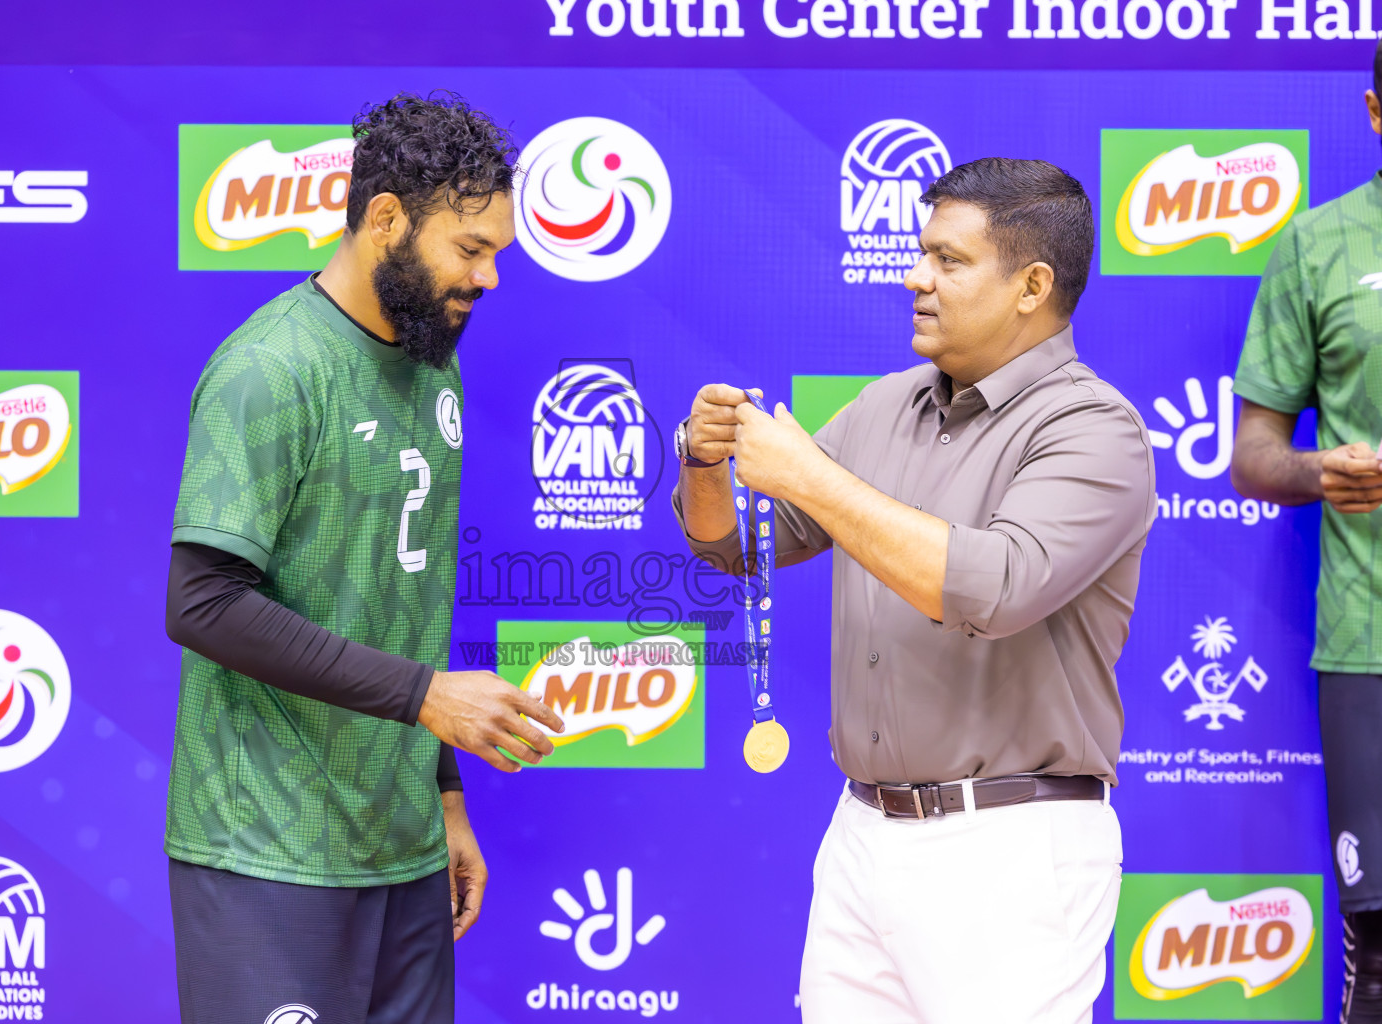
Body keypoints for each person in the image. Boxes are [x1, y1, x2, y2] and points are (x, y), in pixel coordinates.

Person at [671, 158, 1154, 1023]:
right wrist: (705, 465)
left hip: (1010, 846)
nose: (915, 277)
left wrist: (812, 479)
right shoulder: (886, 405)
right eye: (920, 253)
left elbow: (997, 587)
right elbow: (745, 545)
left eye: (948, 260)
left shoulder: (1095, 428)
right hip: (862, 833)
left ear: (1031, 286)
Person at [161, 92, 564, 1024]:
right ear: (385, 219)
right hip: (266, 849)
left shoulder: (433, 361)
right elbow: (203, 603)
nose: (491, 278)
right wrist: (430, 698)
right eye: (472, 249)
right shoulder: (270, 369)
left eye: (498, 251)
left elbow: (395, 604)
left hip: (403, 848)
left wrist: (446, 798)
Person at [1230, 42, 1382, 1024]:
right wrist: (1318, 472)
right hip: (1369, 646)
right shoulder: (1319, 244)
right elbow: (1252, 457)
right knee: (1377, 960)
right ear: (1374, 111)